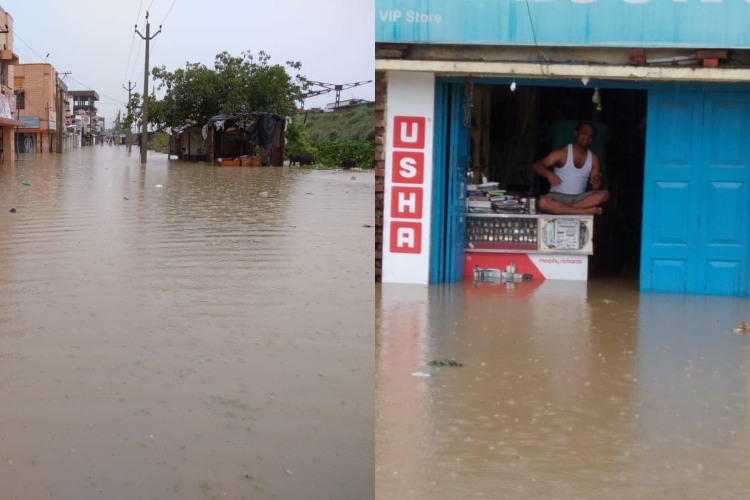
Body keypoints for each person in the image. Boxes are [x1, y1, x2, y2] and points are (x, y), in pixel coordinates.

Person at [532, 122, 609, 215]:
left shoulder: (594, 159)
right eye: (584, 133)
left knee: (605, 194)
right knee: (542, 202)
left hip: (580, 199)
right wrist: (549, 174)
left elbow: (595, 187)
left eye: (590, 136)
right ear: (575, 134)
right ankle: (582, 211)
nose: (587, 137)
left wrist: (597, 183)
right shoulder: (562, 153)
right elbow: (537, 165)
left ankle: (565, 210)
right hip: (558, 197)